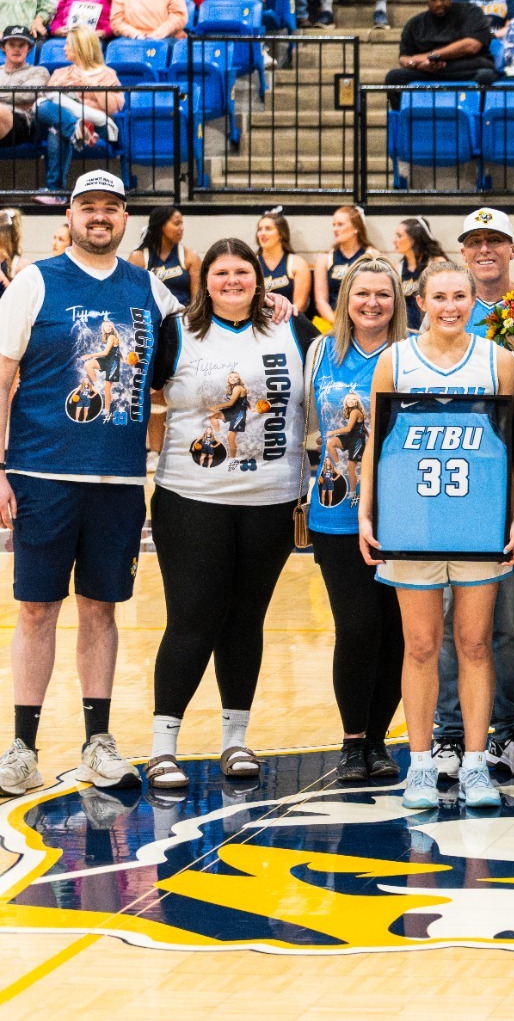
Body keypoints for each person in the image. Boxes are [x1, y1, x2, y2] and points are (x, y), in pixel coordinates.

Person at [0, 172, 171, 797]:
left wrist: (273, 305)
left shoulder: (150, 289)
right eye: (88, 207)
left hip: (119, 481)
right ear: (70, 216)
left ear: (125, 218)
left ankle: (98, 741)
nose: (99, 217)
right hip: (41, 474)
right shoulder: (34, 282)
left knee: (102, 610)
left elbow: (197, 347)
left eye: (111, 208)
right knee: (37, 609)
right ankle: (21, 747)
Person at [141, 238, 321, 789]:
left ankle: (235, 739)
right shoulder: (176, 330)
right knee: (193, 618)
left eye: (243, 271)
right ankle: (162, 744)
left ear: (258, 279)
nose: (233, 281)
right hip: (190, 499)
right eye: (221, 273)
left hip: (270, 502)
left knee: (245, 621)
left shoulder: (293, 329)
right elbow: (147, 402)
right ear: (205, 279)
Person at [359, 259, 514, 810]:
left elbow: (511, 451)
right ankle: (422, 765)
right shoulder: (394, 360)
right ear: (422, 302)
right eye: (440, 297)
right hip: (413, 520)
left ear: (474, 301)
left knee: (475, 644)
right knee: (422, 644)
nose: (451, 306)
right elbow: (376, 447)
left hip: (478, 522)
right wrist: (368, 512)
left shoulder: (499, 361)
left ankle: (476, 764)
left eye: (460, 296)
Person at [305, 257, 406, 783]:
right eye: (362, 293)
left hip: (401, 518)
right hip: (335, 511)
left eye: (383, 295)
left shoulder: (410, 355)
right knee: (358, 625)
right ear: (346, 300)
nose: (372, 303)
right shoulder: (321, 350)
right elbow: (305, 423)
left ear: (397, 302)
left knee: (396, 632)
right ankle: (351, 742)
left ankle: (379, 741)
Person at [382, 0, 497, 106]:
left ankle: (478, 123)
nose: (438, 3)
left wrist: (431, 56)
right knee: (394, 77)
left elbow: (472, 46)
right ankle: (404, 123)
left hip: (464, 68)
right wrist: (419, 65)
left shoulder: (471, 12)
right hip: (430, 72)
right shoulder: (415, 24)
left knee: (486, 75)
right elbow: (403, 58)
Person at [32, 27, 122, 196]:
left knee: (57, 130)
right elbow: (50, 102)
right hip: (69, 123)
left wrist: (90, 84)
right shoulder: (60, 73)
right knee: (42, 107)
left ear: (81, 46)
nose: (64, 48)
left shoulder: (108, 75)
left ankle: (55, 192)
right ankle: (76, 131)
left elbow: (112, 108)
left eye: (68, 44)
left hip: (95, 127)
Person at [312, 203, 374, 322]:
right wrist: (337, 323)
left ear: (356, 228)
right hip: (333, 320)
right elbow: (321, 301)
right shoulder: (325, 258)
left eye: (340, 225)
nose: (335, 229)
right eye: (334, 225)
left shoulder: (371, 255)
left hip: (364, 318)